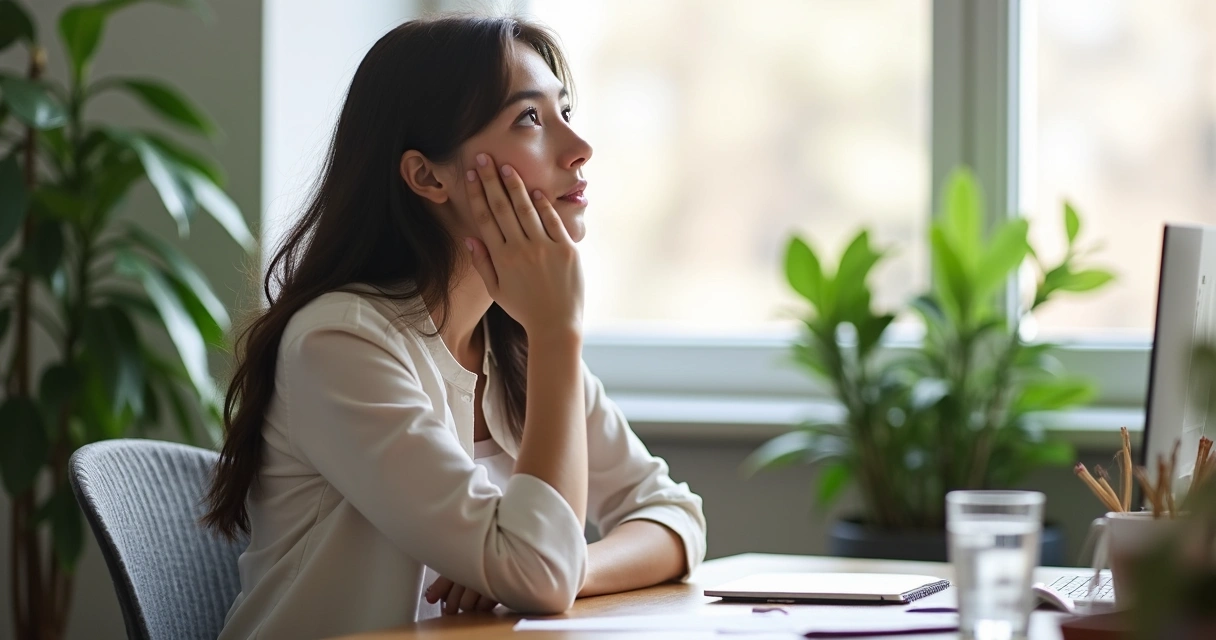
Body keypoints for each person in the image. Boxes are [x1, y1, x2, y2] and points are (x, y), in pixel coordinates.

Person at [202, 14, 707, 640]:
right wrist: (558, 333)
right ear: (427, 176)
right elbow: (535, 574)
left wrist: (564, 567)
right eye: (529, 118)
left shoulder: (511, 342)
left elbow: (675, 517)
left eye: (565, 110)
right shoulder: (340, 343)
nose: (579, 148)